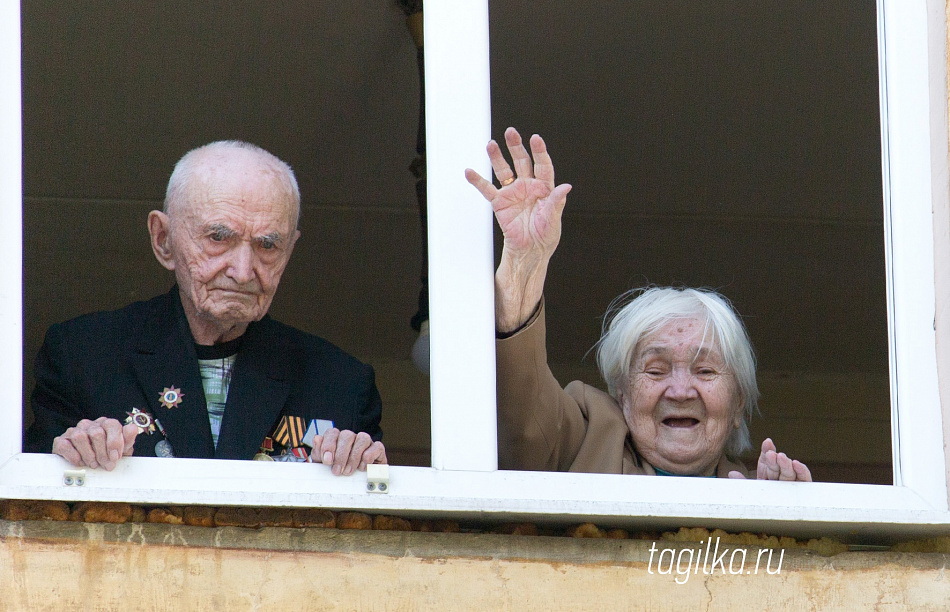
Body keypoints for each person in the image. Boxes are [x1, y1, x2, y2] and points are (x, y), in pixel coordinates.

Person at [466, 127, 811, 481]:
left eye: (705, 371)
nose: (679, 390)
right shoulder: (581, 441)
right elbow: (523, 419)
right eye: (655, 370)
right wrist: (525, 263)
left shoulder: (760, 494)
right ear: (623, 395)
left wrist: (782, 526)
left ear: (738, 404)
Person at [25, 140, 386, 476]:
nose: (243, 272)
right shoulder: (82, 357)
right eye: (218, 238)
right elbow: (27, 516)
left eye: (268, 246)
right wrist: (75, 453)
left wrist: (364, 471)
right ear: (163, 240)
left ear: (290, 250)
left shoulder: (341, 385)